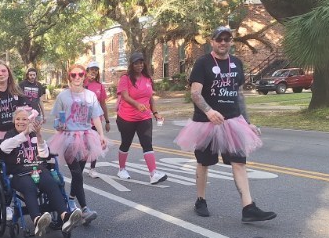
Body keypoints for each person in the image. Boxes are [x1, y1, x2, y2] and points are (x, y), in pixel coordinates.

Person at [178, 25, 276, 222]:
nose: (223, 42)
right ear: (212, 41)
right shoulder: (203, 63)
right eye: (219, 39)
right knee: (204, 162)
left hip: (233, 121)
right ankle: (201, 199)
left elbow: (239, 95)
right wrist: (209, 111)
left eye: (227, 39)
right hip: (206, 123)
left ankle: (248, 207)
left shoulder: (237, 63)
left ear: (231, 42)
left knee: (239, 162)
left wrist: (247, 123)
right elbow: (195, 93)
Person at [0, 107, 83, 236]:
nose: (21, 122)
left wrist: (39, 135)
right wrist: (24, 133)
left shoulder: (33, 135)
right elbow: (4, 147)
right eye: (18, 119)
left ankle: (65, 217)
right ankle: (37, 220)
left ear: (30, 121)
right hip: (19, 173)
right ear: (14, 120)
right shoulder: (11, 134)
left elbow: (44, 154)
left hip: (38, 169)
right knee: (29, 187)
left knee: (52, 184)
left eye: (24, 119)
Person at [49, 64, 108, 225]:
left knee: (79, 173)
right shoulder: (63, 96)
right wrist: (58, 126)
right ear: (69, 77)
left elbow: (96, 117)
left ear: (84, 76)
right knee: (76, 173)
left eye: (80, 74)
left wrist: (101, 135)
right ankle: (85, 209)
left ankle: (71, 200)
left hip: (86, 136)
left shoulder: (90, 96)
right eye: (73, 75)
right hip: (67, 137)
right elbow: (57, 120)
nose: (77, 77)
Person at [115, 52, 167, 184]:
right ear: (131, 65)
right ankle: (121, 169)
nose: (139, 65)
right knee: (126, 143)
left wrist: (155, 113)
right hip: (127, 117)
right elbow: (125, 96)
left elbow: (150, 98)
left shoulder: (147, 78)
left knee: (147, 143)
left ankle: (153, 174)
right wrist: (137, 104)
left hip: (144, 117)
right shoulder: (125, 78)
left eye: (141, 62)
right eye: (136, 63)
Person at [84, 61, 110, 178]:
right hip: (82, 119)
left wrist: (107, 120)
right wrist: (85, 82)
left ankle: (92, 169)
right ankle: (79, 166)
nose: (94, 71)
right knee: (83, 145)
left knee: (95, 144)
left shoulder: (100, 86)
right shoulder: (81, 83)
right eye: (92, 69)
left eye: (96, 69)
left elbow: (103, 104)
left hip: (96, 119)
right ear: (87, 71)